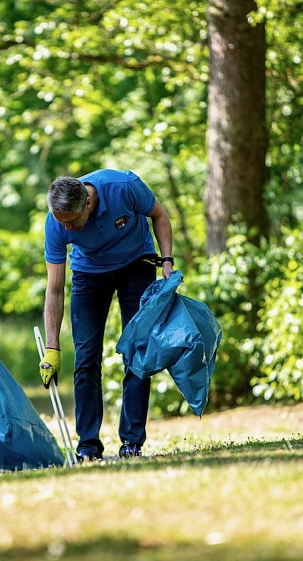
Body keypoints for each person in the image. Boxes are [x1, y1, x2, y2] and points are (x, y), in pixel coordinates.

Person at [39, 169, 174, 462]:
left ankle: (131, 443)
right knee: (86, 358)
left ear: (88, 203)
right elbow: (55, 289)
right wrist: (52, 346)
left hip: (136, 264)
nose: (69, 229)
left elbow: (160, 215)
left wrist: (166, 262)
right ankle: (88, 445)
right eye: (63, 223)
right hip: (89, 274)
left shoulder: (123, 186)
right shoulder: (56, 222)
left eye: (73, 221)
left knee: (137, 353)